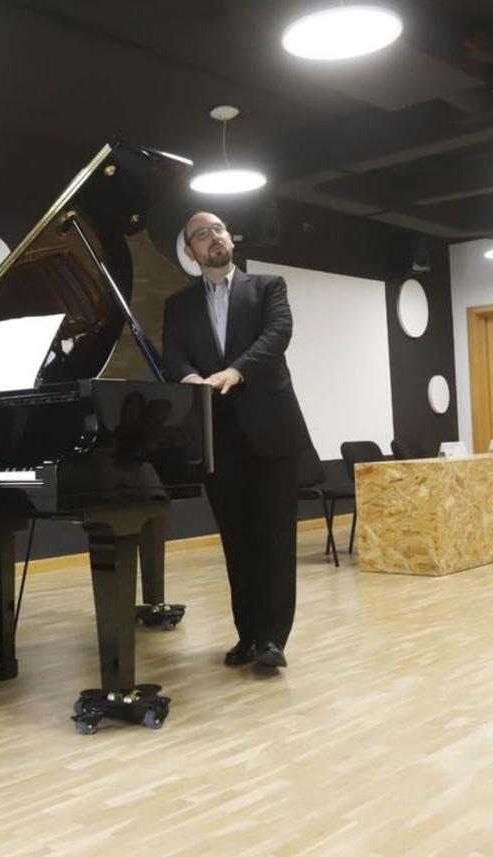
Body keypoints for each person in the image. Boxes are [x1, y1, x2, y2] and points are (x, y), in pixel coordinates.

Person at [161, 214, 311, 669]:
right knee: (237, 542)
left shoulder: (268, 287)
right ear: (190, 253)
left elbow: (277, 336)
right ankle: (248, 636)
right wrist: (188, 379)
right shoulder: (179, 304)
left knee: (275, 539)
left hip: (271, 430)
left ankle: (273, 641)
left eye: (219, 229)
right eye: (201, 235)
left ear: (230, 239)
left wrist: (235, 370)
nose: (213, 238)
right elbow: (173, 354)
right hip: (217, 436)